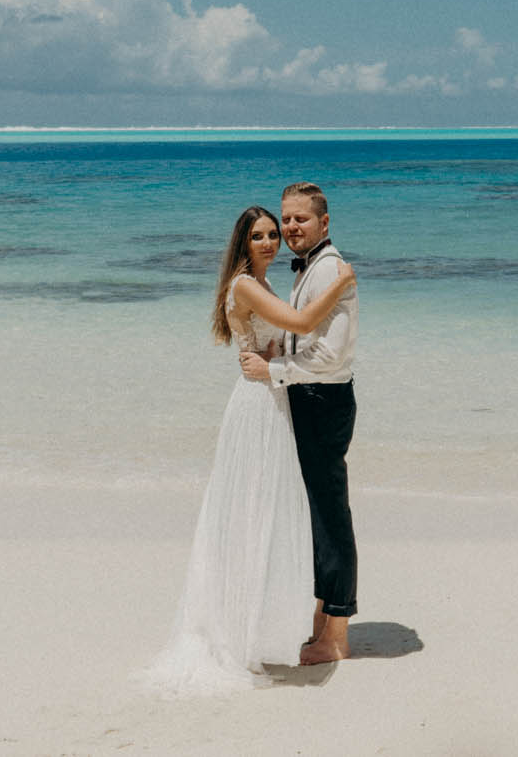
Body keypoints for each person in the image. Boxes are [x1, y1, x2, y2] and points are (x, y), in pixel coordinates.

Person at [142, 205, 357, 695]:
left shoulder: (260, 286)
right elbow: (302, 323)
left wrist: (276, 356)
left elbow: (284, 339)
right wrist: (340, 287)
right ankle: (230, 632)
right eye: (257, 236)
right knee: (248, 514)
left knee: (266, 514)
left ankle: (251, 624)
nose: (268, 243)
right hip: (258, 406)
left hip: (272, 402)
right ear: (242, 243)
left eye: (271, 235)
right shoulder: (245, 285)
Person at [239, 180, 358, 665]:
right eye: (285, 220)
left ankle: (337, 633)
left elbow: (330, 355)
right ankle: (322, 622)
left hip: (323, 398)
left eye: (299, 219)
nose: (289, 228)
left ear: (323, 223)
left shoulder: (331, 268)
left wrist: (275, 370)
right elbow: (299, 330)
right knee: (318, 514)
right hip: (307, 397)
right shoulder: (313, 268)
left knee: (330, 516)